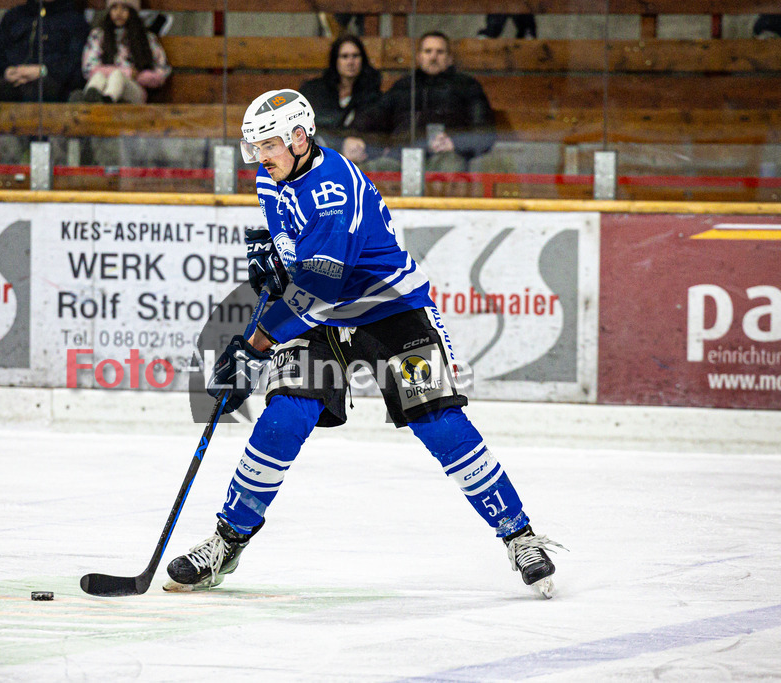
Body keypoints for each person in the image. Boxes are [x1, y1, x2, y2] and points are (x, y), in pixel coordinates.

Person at [163, 89, 564, 596]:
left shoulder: (334, 189)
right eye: (255, 147)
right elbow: (296, 256)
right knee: (284, 418)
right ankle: (226, 543)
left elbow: (320, 288)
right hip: (319, 315)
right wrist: (272, 254)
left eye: (267, 145)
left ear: (300, 137)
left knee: (436, 418)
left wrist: (255, 344)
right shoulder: (274, 173)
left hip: (389, 308)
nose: (259, 158)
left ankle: (520, 537)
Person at [350, 32, 496, 173]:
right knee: (373, 170)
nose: (433, 57)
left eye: (440, 52)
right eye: (428, 51)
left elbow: (485, 131)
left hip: (446, 155)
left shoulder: (467, 86)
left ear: (449, 58)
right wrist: (355, 138)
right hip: (401, 155)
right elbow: (373, 118)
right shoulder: (404, 86)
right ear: (419, 57)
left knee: (449, 168)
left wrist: (455, 144)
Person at [0, 0, 89, 161]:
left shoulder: (74, 21)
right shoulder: (14, 16)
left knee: (38, 90)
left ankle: (37, 159)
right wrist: (6, 71)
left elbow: (74, 63)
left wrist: (42, 70)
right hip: (13, 79)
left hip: (52, 82)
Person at [298, 35, 380, 161]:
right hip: (321, 154)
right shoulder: (315, 91)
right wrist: (342, 143)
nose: (350, 62)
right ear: (335, 60)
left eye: (355, 56)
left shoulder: (373, 94)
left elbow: (377, 131)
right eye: (344, 56)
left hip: (360, 157)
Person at [76, 0, 170, 104]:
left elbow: (162, 70)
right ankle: (87, 99)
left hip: (134, 90)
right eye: (114, 8)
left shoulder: (145, 38)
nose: (118, 13)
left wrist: (138, 76)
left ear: (132, 12)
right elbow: (89, 68)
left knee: (117, 76)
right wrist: (127, 72)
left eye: (124, 8)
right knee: (98, 77)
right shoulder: (99, 35)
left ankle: (107, 102)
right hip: (105, 84)